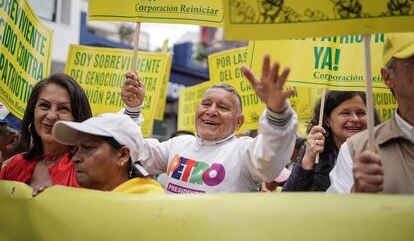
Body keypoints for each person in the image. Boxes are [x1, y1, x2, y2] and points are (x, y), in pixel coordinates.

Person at [122, 55, 298, 193]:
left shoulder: (244, 152)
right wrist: (133, 108)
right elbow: (133, 152)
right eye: (206, 104)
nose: (211, 111)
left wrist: (278, 113)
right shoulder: (178, 144)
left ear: (238, 122)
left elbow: (270, 158)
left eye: (222, 107)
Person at [328, 32, 414, 194]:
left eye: (360, 112)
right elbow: (340, 217)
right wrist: (359, 193)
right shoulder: (356, 151)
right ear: (388, 76)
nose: (354, 119)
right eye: (413, 63)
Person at [0, 74, 93, 194]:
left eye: (63, 108)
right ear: (32, 112)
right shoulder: (14, 165)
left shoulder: (88, 169)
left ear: (77, 117)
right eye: (44, 105)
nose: (51, 116)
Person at [283, 91, 380, 192]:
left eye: (361, 113)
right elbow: (288, 197)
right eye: (345, 113)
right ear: (327, 120)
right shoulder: (312, 152)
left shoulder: (382, 149)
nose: (355, 119)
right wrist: (307, 162)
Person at [51, 113, 164, 194]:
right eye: (75, 149)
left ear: (123, 155)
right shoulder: (74, 202)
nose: (75, 158)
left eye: (88, 147)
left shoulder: (150, 206)